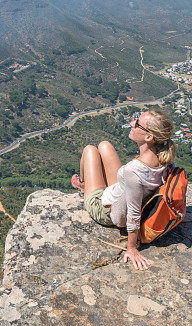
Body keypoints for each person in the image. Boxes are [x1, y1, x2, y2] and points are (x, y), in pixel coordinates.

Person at [72, 108, 183, 271]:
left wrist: (131, 248)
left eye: (137, 124)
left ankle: (84, 183)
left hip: (106, 208)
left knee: (90, 150)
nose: (132, 123)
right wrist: (179, 214)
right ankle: (86, 182)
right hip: (124, 191)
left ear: (148, 137)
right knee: (104, 145)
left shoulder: (133, 170)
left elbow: (133, 214)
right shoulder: (164, 158)